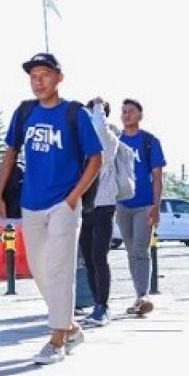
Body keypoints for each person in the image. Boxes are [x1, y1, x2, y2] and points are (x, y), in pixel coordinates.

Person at [0, 53, 102, 365]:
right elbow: (10, 153)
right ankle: (71, 326)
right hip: (31, 203)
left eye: (44, 75)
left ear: (59, 78)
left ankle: (57, 339)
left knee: (59, 269)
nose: (38, 81)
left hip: (63, 204)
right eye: (33, 76)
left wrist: (73, 198)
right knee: (40, 271)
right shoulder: (24, 112)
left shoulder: (75, 114)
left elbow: (97, 158)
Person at [116, 98, 166, 316]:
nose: (126, 115)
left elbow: (157, 176)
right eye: (124, 111)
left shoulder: (149, 141)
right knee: (130, 251)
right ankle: (138, 297)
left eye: (131, 111)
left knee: (141, 250)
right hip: (122, 204)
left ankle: (143, 295)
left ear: (140, 115)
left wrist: (156, 206)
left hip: (144, 204)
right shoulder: (115, 140)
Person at [78, 98, 120, 327]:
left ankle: (103, 306)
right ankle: (97, 304)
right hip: (85, 207)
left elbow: (100, 128)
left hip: (104, 205)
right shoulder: (84, 142)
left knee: (99, 256)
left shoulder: (109, 138)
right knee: (88, 258)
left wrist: (98, 107)